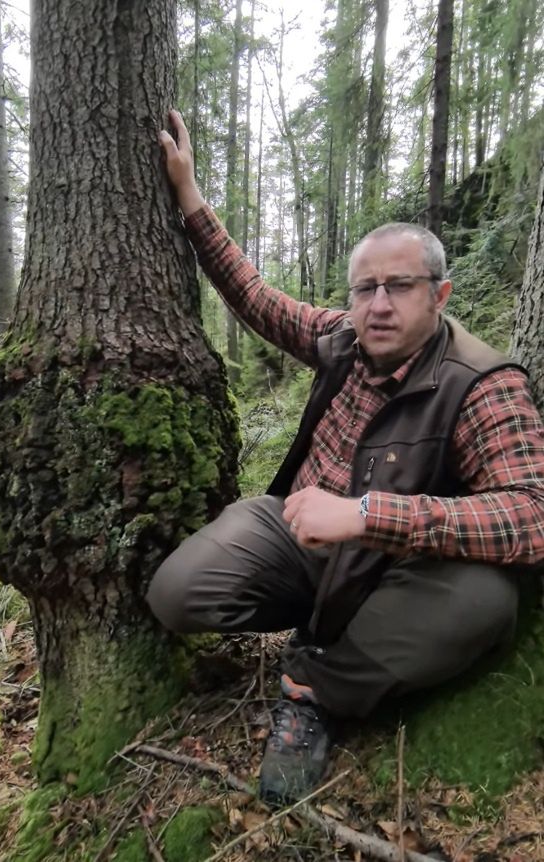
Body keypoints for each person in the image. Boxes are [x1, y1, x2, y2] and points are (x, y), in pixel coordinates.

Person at [148, 109, 544, 805]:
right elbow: (257, 299)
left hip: (402, 570)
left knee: (485, 604)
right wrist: (189, 198)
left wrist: (370, 516)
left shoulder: (482, 384)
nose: (379, 305)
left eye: (400, 287)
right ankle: (324, 615)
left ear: (439, 295)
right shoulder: (343, 340)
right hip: (300, 538)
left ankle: (312, 688)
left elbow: (533, 516)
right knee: (177, 594)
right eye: (366, 288)